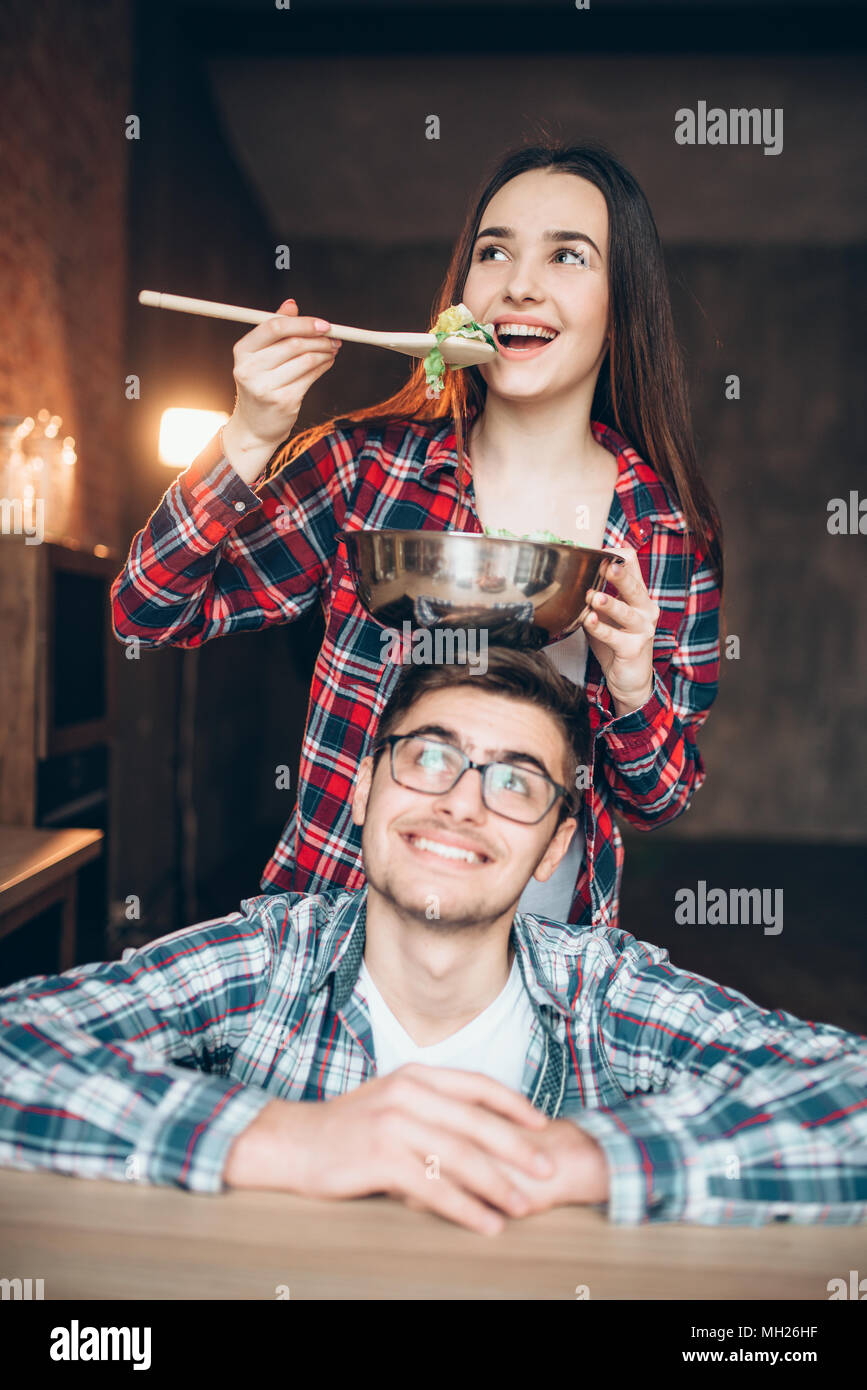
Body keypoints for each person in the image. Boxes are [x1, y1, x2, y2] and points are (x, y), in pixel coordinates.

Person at [1, 649, 864, 1237]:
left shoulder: (604, 991)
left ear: (554, 848)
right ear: (366, 788)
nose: (461, 803)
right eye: (428, 758)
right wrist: (290, 1141)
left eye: (516, 782)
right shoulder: (269, 955)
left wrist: (578, 1155)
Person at [111, 140, 723, 930]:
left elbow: (656, 799)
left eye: (567, 256)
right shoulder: (367, 468)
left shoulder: (665, 535)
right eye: (493, 252)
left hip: (542, 952)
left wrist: (633, 684)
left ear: (623, 305)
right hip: (339, 929)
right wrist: (249, 434)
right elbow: (149, 609)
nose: (520, 285)